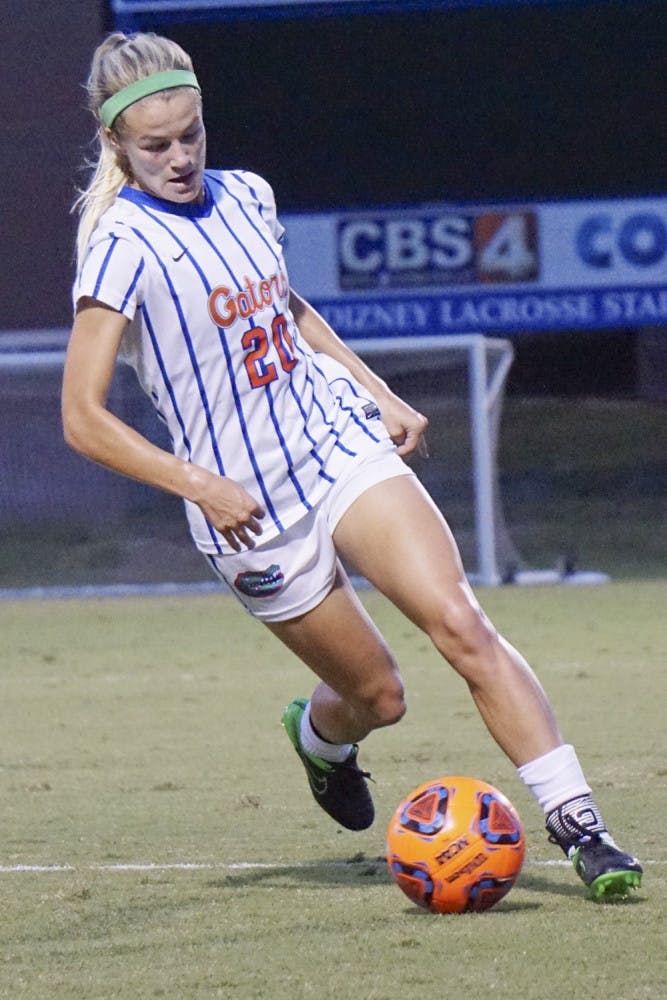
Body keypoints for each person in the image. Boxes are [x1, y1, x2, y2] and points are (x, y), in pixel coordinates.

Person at [62, 30, 642, 901]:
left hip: (335, 447)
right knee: (378, 697)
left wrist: (371, 389)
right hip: (244, 503)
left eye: (191, 135)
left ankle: (581, 830)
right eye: (156, 145)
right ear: (116, 144)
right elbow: (81, 418)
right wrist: (200, 484)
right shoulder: (122, 244)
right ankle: (322, 740)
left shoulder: (248, 195)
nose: (180, 158)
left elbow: (283, 308)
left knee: (461, 623)